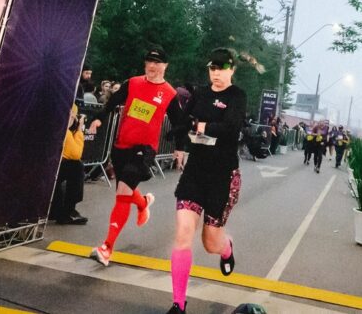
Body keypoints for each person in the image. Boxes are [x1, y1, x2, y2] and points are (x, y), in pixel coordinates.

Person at [87, 47, 185, 267]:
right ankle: (142, 203)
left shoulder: (169, 93)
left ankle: (107, 248)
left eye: (157, 63)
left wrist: (180, 147)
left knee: (122, 192)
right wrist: (98, 119)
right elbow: (112, 103)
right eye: (149, 62)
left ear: (165, 67)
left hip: (144, 150)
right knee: (126, 190)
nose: (152, 66)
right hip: (122, 146)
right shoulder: (133, 83)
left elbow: (179, 122)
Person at [167, 48, 248, 314]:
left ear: (232, 70)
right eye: (212, 68)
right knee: (182, 233)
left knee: (210, 243)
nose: (216, 74)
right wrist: (180, 141)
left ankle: (226, 248)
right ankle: (179, 303)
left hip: (222, 175)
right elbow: (181, 123)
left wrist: (201, 126)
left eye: (222, 68)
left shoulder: (237, 96)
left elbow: (232, 127)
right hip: (196, 171)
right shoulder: (200, 93)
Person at [49, 103, 87, 225]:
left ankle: (56, 210)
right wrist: (79, 129)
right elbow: (76, 154)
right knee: (76, 167)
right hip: (48, 168)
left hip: (43, 165)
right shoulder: (64, 131)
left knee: (65, 169)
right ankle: (68, 211)